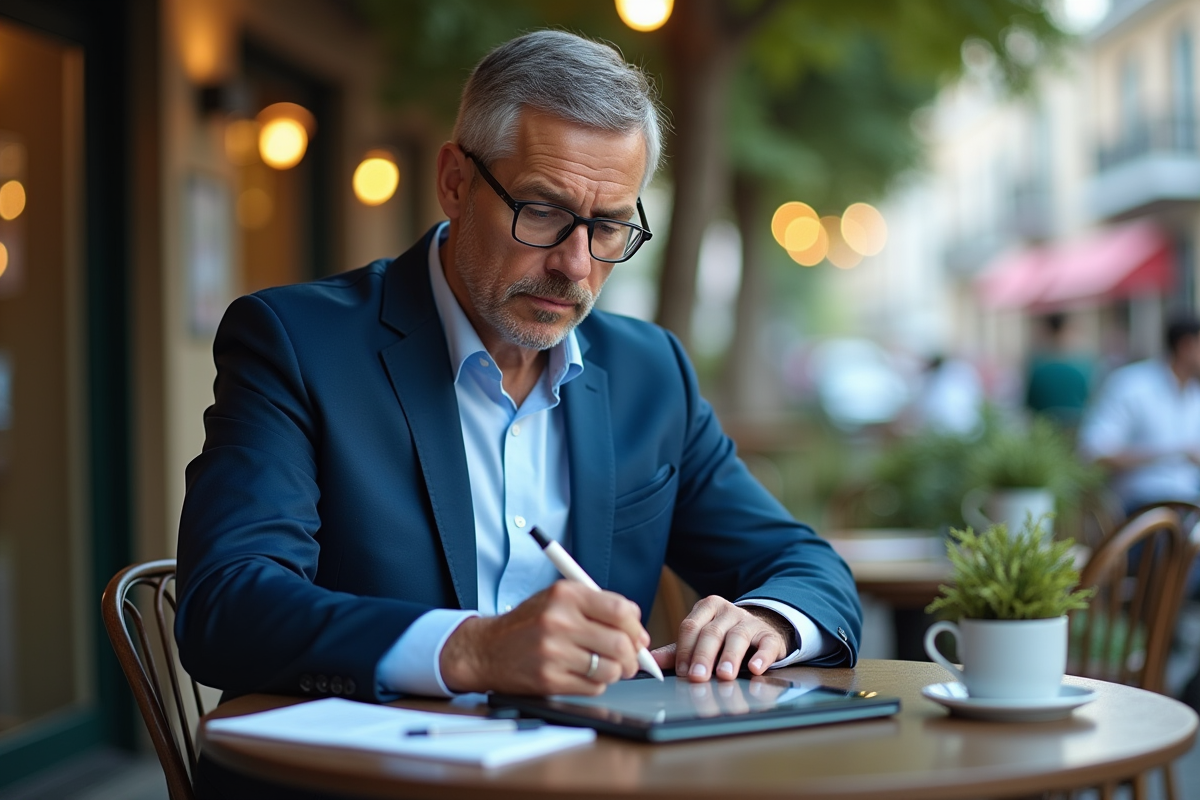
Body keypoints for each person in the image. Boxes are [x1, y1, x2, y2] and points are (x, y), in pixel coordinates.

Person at [175, 30, 860, 796]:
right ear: (455, 182)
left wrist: (768, 620)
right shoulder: (298, 343)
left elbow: (808, 567)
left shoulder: (648, 371)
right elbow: (226, 605)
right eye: (542, 212)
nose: (574, 264)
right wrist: (471, 649)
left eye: (608, 228)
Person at [1078, 315, 1200, 515]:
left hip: (1188, 504)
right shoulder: (1132, 385)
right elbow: (1095, 453)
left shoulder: (1194, 393)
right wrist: (1175, 454)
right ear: (1186, 346)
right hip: (1141, 507)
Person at [1024, 313, 1092, 431]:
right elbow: (1087, 399)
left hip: (1045, 431)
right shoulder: (1082, 367)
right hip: (1074, 429)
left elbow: (1029, 404)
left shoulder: (1038, 369)